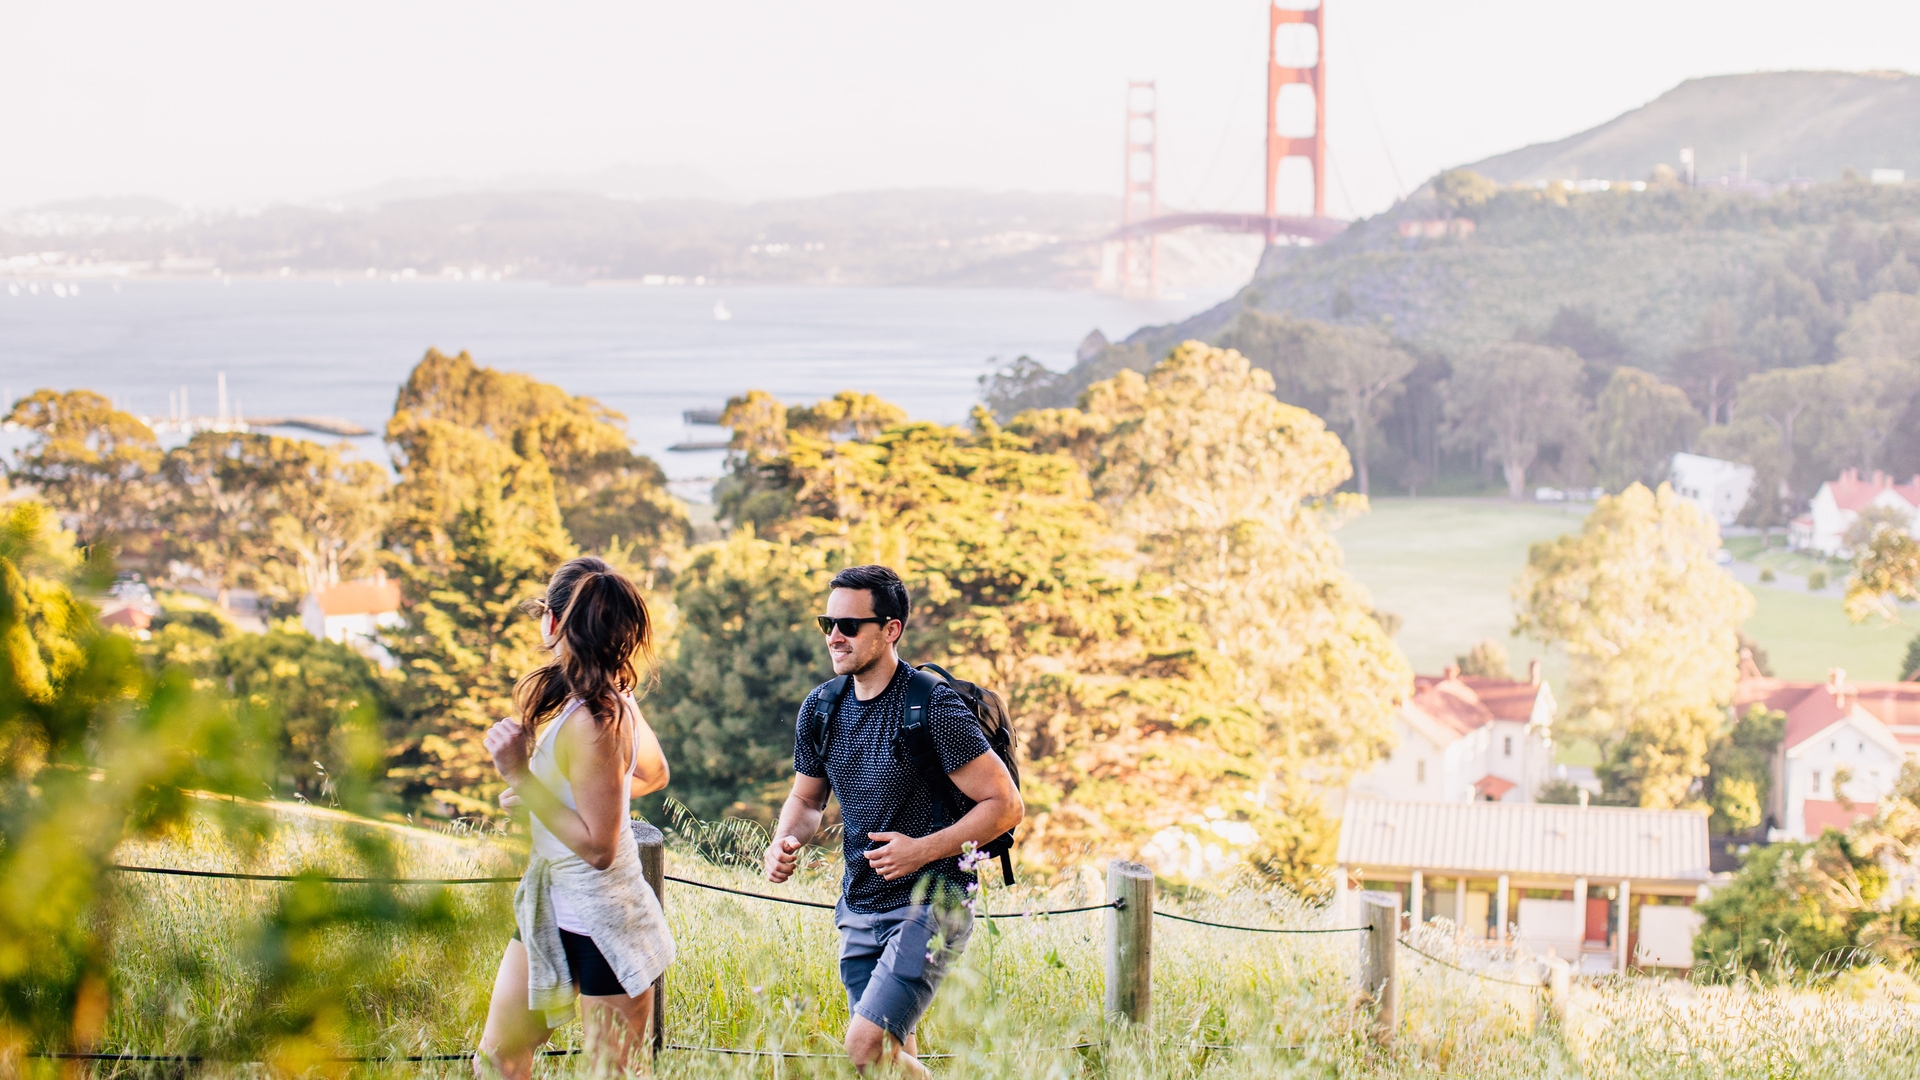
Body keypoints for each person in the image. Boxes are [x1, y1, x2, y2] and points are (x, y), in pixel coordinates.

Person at [763, 564, 1024, 1077]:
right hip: (858, 905)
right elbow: (807, 800)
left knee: (863, 1047)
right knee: (888, 1056)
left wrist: (922, 849)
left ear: (891, 630)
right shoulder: (821, 707)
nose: (834, 636)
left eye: (849, 626)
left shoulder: (933, 707)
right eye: (827, 624)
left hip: (933, 901)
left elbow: (1005, 805)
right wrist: (783, 841)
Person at [475, 556, 676, 1080]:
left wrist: (522, 778)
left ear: (553, 622)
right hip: (549, 912)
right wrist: (553, 797)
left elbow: (599, 847)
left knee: (615, 1075)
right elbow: (650, 776)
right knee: (498, 1061)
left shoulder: (596, 716)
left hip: (606, 923)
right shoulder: (605, 700)